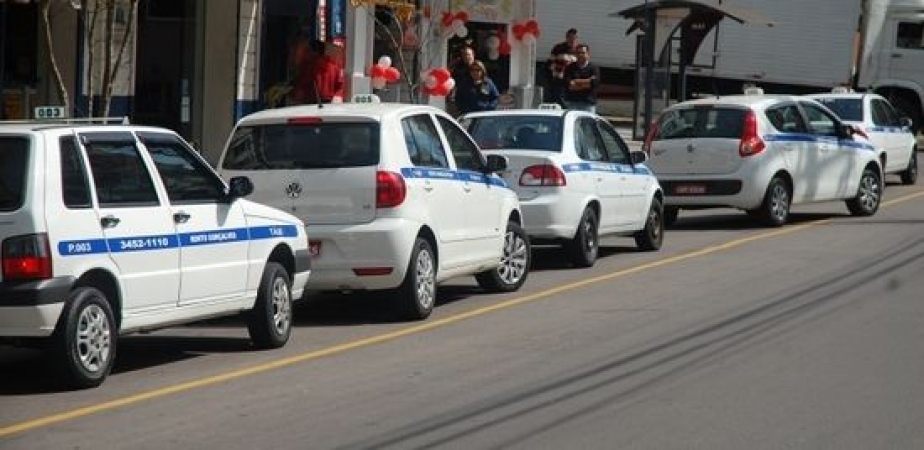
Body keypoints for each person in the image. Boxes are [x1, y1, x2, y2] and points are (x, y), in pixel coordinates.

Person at [291, 40, 344, 104]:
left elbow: (302, 85)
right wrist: (337, 96)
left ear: (315, 52)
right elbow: (341, 85)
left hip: (312, 103)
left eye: (308, 50)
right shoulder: (334, 66)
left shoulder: (309, 66)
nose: (306, 52)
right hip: (330, 103)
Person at [563, 43, 600, 113]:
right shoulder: (569, 68)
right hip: (572, 103)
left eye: (583, 53)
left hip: (588, 104)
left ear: (588, 54)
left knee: (588, 124)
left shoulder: (594, 68)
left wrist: (576, 82)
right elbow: (569, 85)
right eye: (578, 53)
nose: (580, 55)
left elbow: (593, 83)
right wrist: (587, 82)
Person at [547, 28, 579, 107]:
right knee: (559, 99)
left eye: (574, 38)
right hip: (559, 79)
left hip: (572, 79)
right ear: (566, 37)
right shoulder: (558, 48)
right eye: (570, 37)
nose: (572, 40)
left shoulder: (578, 50)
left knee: (570, 100)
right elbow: (550, 63)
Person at [448, 45, 476, 115]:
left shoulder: (478, 67)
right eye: (464, 55)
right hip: (461, 100)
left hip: (475, 100)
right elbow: (450, 78)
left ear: (473, 55)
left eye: (468, 54)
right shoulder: (458, 68)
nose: (466, 57)